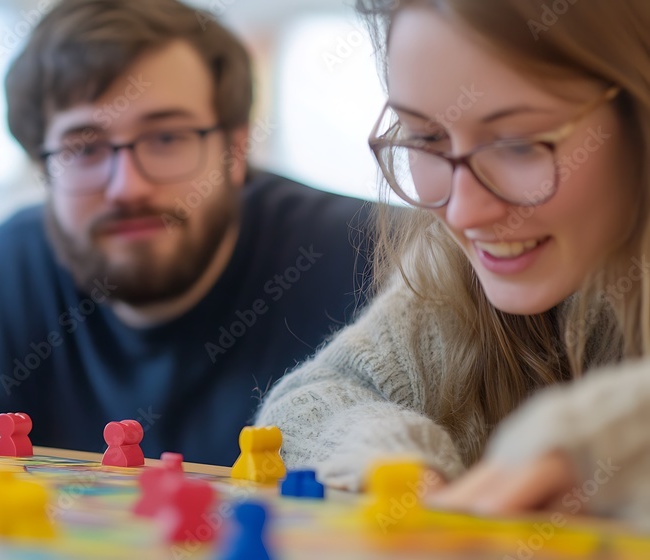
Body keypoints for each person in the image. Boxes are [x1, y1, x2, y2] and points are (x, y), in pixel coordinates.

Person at [258, 0, 650, 522]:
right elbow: (310, 404)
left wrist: (601, 444)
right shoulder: (449, 264)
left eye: (517, 144)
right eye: (424, 138)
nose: (463, 211)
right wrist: (398, 464)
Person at [0, 0, 374, 466]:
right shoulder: (12, 267)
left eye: (166, 138)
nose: (128, 187)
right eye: (84, 148)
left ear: (237, 149)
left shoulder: (371, 256)